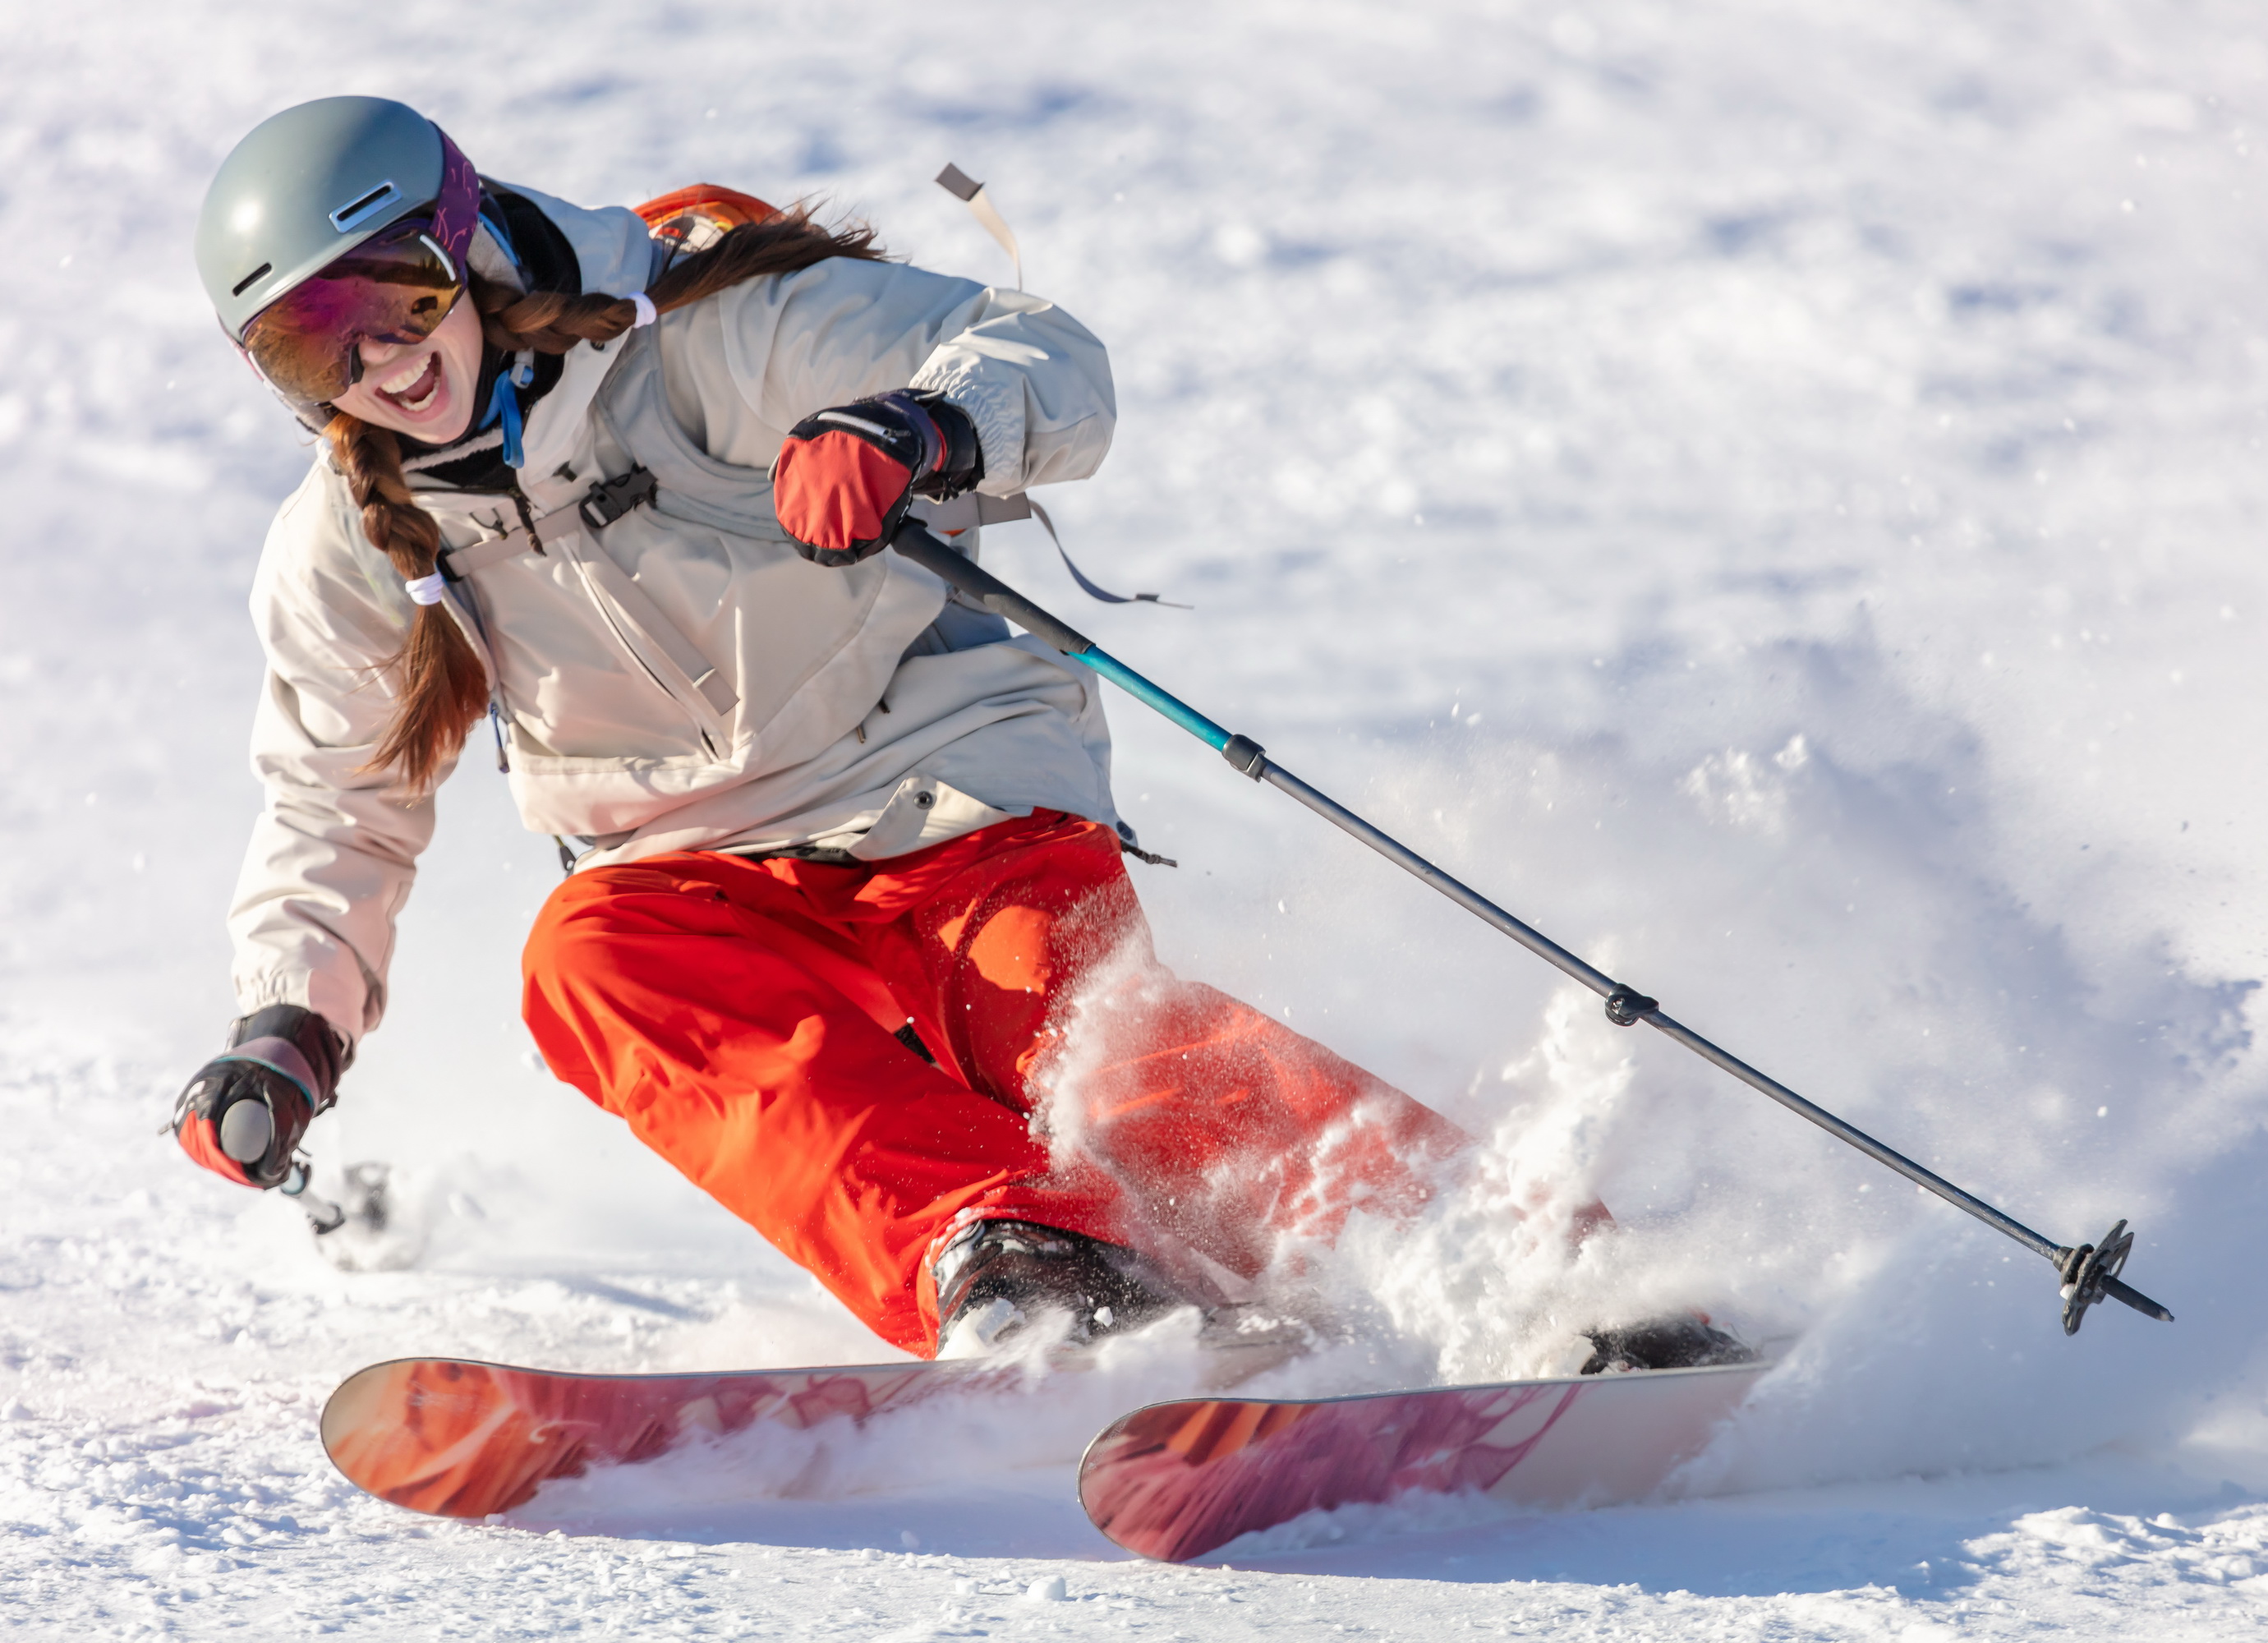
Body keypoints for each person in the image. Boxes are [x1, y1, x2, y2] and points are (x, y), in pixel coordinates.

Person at [173, 97, 1743, 1373]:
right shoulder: (353, 543)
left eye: (394, 300)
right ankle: (1022, 1254)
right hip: (697, 873)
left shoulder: (698, 335)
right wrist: (286, 1029)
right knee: (586, 964)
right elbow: (334, 805)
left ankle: (1553, 1269)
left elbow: (1045, 354)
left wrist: (912, 430)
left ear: (464, 248)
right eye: (312, 347)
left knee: (1077, 1052)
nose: (378, 363)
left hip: (946, 784)